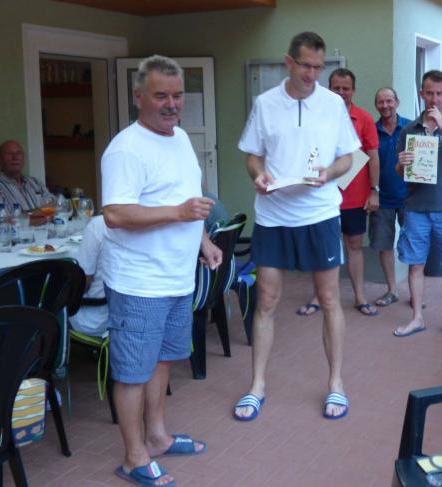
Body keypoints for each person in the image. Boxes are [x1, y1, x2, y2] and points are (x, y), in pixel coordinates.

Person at [100, 55, 222, 487]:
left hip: (177, 277)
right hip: (139, 283)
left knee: (164, 359)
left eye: (177, 95)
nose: (172, 104)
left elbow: (187, 198)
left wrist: (203, 240)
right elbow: (115, 214)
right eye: (160, 96)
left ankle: (157, 437)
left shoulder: (181, 138)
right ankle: (133, 458)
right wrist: (178, 213)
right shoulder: (126, 149)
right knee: (133, 371)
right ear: (138, 97)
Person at [235, 31, 360, 422]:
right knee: (266, 301)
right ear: (289, 62)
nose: (312, 74)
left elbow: (347, 158)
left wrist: (329, 174)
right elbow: (252, 156)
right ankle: (257, 386)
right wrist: (257, 175)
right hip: (273, 216)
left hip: (320, 214)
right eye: (306, 65)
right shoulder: (265, 103)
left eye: (318, 67)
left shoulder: (332, 104)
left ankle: (336, 383)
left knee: (329, 300)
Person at [393, 70, 442, 341]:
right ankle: (417, 317)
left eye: (439, 94)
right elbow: (400, 173)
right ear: (421, 94)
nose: (434, 99)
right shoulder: (408, 130)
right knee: (415, 265)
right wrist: (401, 164)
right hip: (416, 208)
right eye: (429, 93)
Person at [297, 68, 381, 317]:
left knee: (354, 245)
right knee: (322, 246)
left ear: (353, 90)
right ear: (329, 89)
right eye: (337, 88)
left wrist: (374, 191)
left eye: (346, 88)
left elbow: (373, 156)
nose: (341, 92)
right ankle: (317, 296)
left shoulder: (364, 118)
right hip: (321, 196)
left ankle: (359, 296)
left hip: (354, 196)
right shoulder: (315, 117)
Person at [369, 87, 410, 307]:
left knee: (414, 245)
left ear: (397, 102)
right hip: (381, 198)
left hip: (410, 198)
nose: (385, 106)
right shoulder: (371, 130)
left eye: (389, 101)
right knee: (384, 246)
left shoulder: (411, 128)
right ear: (376, 105)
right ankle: (392, 290)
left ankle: (415, 293)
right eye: (380, 102)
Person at [0, 140, 53, 228]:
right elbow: (4, 224)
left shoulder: (35, 182)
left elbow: (55, 207)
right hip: (21, 236)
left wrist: (25, 215)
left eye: (19, 153)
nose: (15, 157)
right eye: (9, 153)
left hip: (50, 232)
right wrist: (46, 217)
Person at [69, 215, 108, 338]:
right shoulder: (152, 224)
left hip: (94, 320)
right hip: (134, 321)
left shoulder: (98, 225)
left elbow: (83, 284)